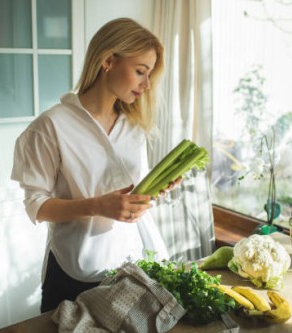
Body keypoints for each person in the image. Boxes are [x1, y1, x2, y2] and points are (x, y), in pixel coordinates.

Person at [11, 17, 175, 313]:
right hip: (74, 276)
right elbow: (36, 205)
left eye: (149, 75)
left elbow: (131, 198)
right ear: (109, 61)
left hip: (131, 270)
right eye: (140, 71)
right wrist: (98, 206)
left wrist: (154, 191)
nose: (147, 85)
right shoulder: (51, 126)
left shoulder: (134, 126)